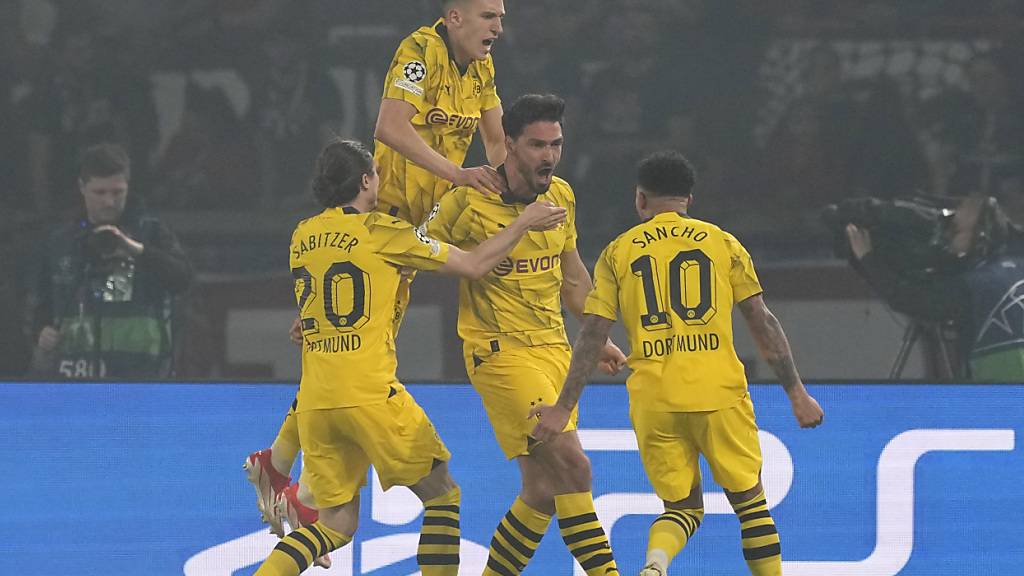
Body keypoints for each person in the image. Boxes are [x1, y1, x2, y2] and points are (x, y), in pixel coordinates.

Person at [245, 0, 510, 542]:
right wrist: (458, 175)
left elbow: (498, 142)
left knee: (341, 351)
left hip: (420, 223)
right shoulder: (419, 51)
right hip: (385, 221)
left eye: (502, 16)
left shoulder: (481, 67)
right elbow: (389, 127)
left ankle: (279, 465)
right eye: (489, 16)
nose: (499, 27)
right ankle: (297, 486)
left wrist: (515, 190)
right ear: (455, 16)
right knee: (355, 360)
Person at [251, 138, 566, 576]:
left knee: (336, 526)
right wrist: (522, 224)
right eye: (376, 174)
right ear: (365, 180)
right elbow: (474, 265)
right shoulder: (383, 231)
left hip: (317, 403)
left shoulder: (301, 236)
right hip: (372, 395)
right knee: (442, 495)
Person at [531, 150, 824, 576]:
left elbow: (592, 334)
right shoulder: (722, 242)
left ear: (640, 200)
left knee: (682, 508)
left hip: (655, 399)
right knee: (750, 504)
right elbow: (762, 320)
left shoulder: (618, 252)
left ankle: (655, 563)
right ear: (689, 198)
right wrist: (796, 392)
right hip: (718, 393)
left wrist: (562, 407)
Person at [425, 94, 627, 576]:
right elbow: (415, 255)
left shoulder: (562, 196)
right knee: (574, 468)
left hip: (555, 352)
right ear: (509, 145)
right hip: (500, 356)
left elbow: (574, 278)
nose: (549, 156)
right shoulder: (467, 200)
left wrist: (596, 336)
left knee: (541, 489)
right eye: (537, 145)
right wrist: (520, 225)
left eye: (556, 144)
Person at [28, 143, 192, 379]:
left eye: (117, 192)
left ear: (128, 187)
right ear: (82, 187)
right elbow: (40, 306)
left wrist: (135, 249)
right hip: (75, 376)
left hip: (140, 375)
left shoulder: (151, 232)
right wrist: (40, 331)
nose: (109, 202)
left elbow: (183, 280)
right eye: (100, 192)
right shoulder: (61, 242)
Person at [845, 195, 1024, 380]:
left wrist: (868, 258)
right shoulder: (1018, 267)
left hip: (1003, 397)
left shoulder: (971, 286)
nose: (947, 235)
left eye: (955, 230)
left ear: (980, 238)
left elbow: (908, 299)